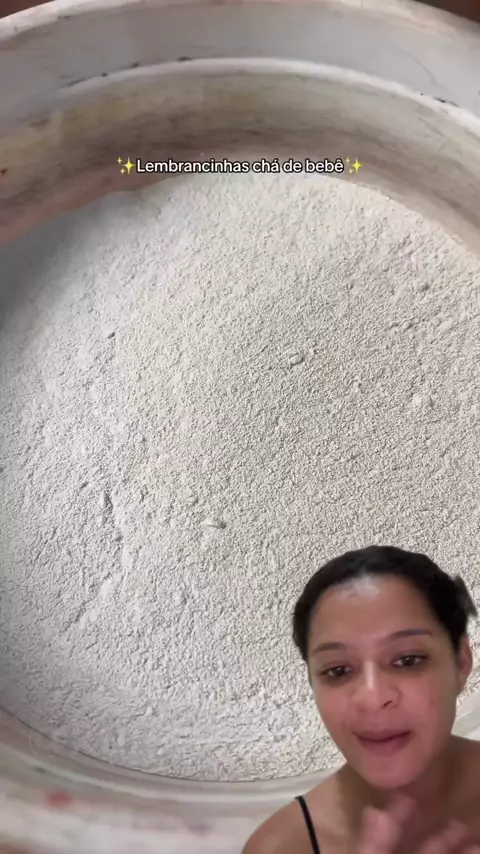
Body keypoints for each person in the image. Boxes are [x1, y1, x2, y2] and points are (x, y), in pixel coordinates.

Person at [242, 544, 480, 854]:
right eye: (338, 670)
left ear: (461, 662)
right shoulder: (282, 847)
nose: (372, 698)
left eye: (408, 660)